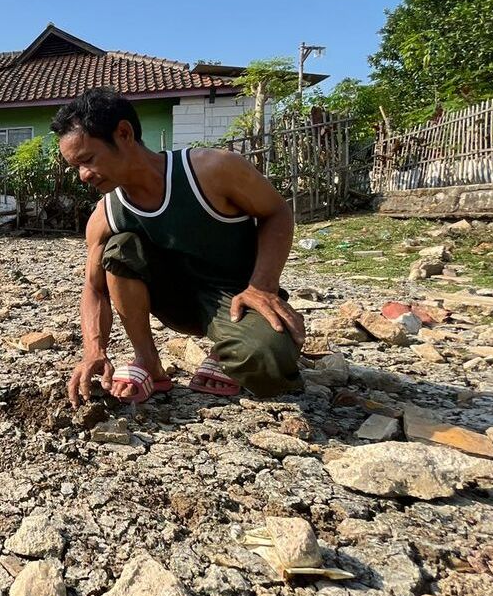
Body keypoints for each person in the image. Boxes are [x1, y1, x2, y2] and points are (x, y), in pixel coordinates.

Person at [52, 87, 305, 408]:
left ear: (124, 133)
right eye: (75, 167)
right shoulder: (106, 214)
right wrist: (94, 349)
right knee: (118, 248)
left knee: (268, 360)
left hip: (238, 297)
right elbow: (95, 288)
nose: (83, 175)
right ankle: (148, 362)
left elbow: (276, 212)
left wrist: (263, 285)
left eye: (88, 159)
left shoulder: (212, 170)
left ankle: (231, 346)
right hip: (177, 301)